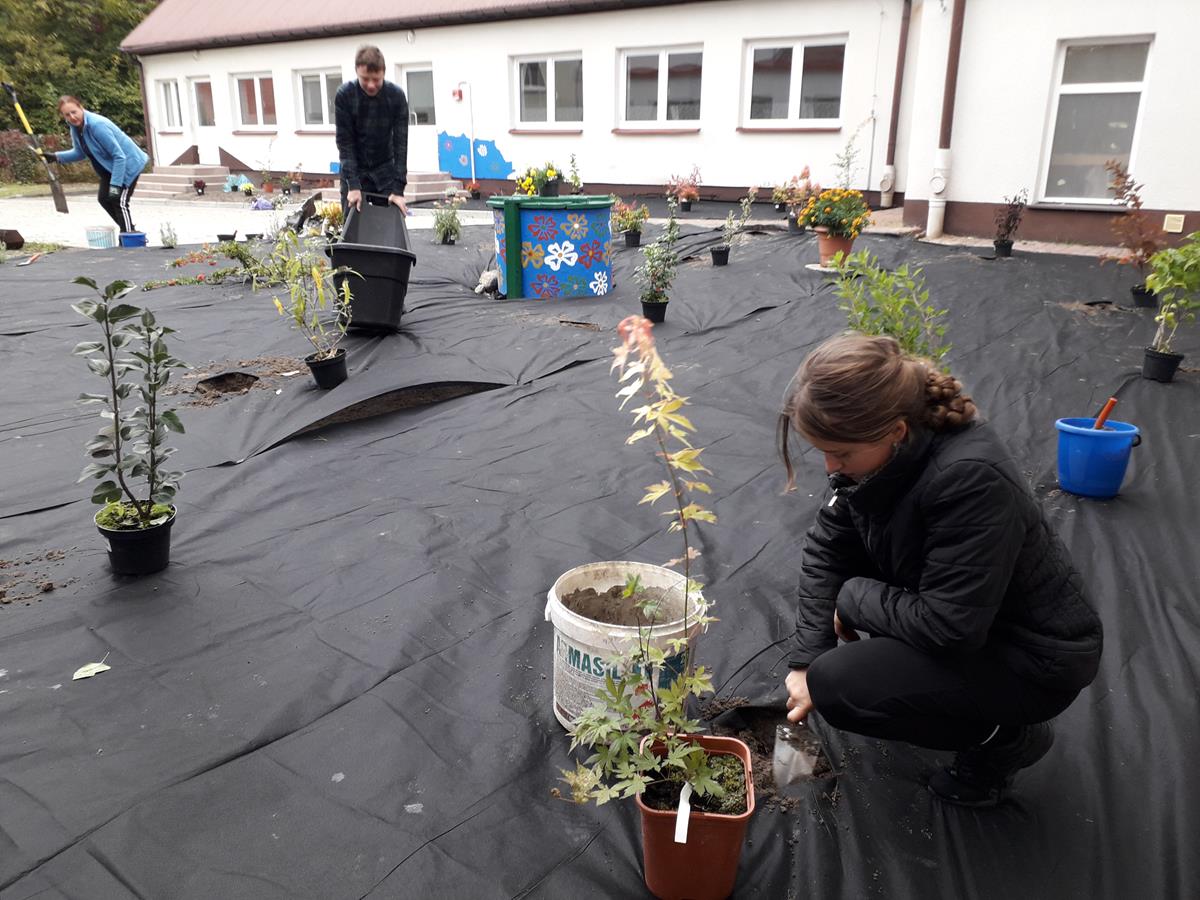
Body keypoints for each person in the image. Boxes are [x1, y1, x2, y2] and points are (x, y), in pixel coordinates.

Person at [778, 333, 1103, 807]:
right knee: (823, 669)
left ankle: (1005, 742)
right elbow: (829, 546)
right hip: (968, 616)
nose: (830, 466)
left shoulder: (969, 479)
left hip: (1032, 660)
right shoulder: (883, 462)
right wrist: (806, 658)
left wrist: (852, 599)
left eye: (842, 454)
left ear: (895, 430)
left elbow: (949, 628)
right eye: (823, 451)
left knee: (841, 685)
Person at [49, 96, 147, 233]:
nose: (72, 117)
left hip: (127, 166)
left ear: (81, 108)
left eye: (74, 112)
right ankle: (129, 231)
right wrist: (56, 157)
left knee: (118, 200)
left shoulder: (97, 125)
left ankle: (128, 236)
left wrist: (115, 185)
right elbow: (80, 152)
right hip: (109, 169)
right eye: (67, 115)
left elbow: (119, 156)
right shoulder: (75, 127)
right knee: (104, 199)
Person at [334, 45, 409, 217]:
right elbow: (345, 144)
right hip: (354, 169)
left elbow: (401, 144)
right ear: (356, 72)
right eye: (365, 79)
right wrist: (353, 185)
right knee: (352, 228)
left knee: (389, 226)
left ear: (384, 72)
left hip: (385, 169)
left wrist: (398, 189)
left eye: (376, 79)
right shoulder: (345, 96)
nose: (371, 84)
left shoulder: (396, 97)